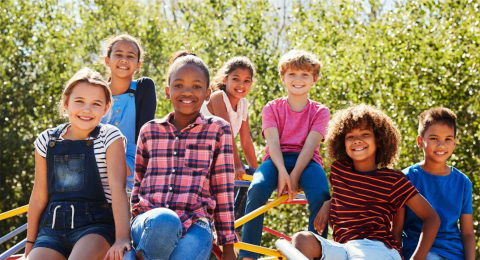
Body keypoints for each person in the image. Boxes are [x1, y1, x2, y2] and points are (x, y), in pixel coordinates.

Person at [291, 104, 441, 260]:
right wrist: (327, 204)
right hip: (343, 247)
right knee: (301, 240)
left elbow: (431, 218)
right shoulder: (339, 171)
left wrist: (416, 258)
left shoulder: (393, 180)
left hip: (377, 248)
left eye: (365, 134)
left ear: (379, 140)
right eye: (350, 136)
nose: (357, 140)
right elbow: (344, 201)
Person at [130, 51, 237, 260]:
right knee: (165, 221)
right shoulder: (149, 131)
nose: (187, 92)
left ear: (207, 94)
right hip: (149, 221)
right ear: (167, 91)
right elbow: (137, 187)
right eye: (178, 85)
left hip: (196, 224)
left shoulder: (218, 130)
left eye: (196, 86)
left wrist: (229, 248)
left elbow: (224, 191)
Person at [25, 68, 131, 260]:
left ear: (106, 108)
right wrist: (30, 244)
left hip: (96, 226)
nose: (87, 110)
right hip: (51, 230)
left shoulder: (109, 137)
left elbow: (118, 189)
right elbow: (39, 196)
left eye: (96, 104)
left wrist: (122, 238)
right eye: (79, 101)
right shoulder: (46, 140)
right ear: (66, 102)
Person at [239, 50, 331, 260]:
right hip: (276, 159)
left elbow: (310, 146)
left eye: (305, 75)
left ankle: (316, 253)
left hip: (307, 162)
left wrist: (295, 175)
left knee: (321, 193)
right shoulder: (272, 107)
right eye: (292, 74)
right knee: (258, 187)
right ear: (283, 77)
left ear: (314, 79)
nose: (298, 80)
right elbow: (272, 143)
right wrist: (282, 171)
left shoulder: (320, 111)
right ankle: (248, 254)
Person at [392, 107, 475, 260]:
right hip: (419, 253)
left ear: (455, 142)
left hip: (455, 254)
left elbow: (468, 233)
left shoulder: (463, 182)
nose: (441, 145)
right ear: (420, 141)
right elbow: (396, 230)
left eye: (448, 139)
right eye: (434, 138)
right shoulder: (405, 178)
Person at [201, 56, 258, 221]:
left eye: (246, 81)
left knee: (252, 179)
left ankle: (235, 225)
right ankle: (221, 224)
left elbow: (246, 142)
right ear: (225, 80)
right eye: (236, 79)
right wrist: (237, 165)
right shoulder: (218, 97)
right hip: (205, 155)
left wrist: (257, 173)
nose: (241, 84)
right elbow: (226, 133)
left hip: (223, 158)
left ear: (251, 84)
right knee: (235, 174)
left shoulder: (243, 104)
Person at [102, 34, 157, 176]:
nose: (124, 60)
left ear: (138, 65)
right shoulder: (96, 92)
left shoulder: (143, 87)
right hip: (94, 162)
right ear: (107, 60)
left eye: (130, 56)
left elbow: (145, 135)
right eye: (118, 54)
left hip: (130, 165)